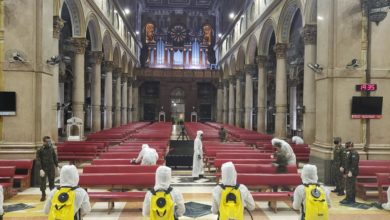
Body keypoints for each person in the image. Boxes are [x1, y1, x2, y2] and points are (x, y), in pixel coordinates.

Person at [36, 136, 60, 201]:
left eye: (50, 141)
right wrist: (40, 169)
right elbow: (38, 160)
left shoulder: (51, 149)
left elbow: (54, 157)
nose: (49, 143)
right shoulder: (40, 150)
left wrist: (57, 166)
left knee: (52, 182)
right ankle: (43, 195)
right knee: (43, 182)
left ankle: (53, 195)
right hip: (43, 168)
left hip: (51, 168)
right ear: (44, 142)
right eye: (47, 141)